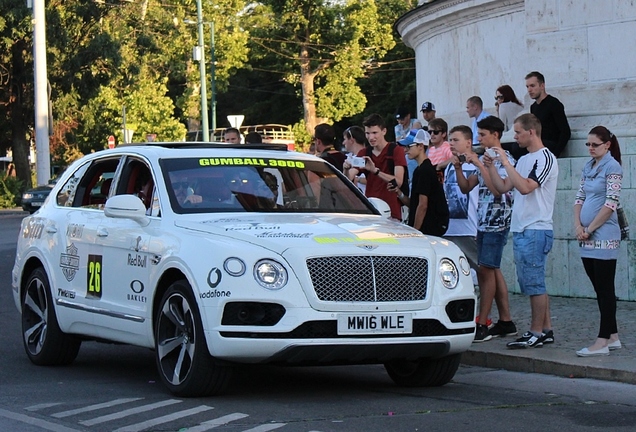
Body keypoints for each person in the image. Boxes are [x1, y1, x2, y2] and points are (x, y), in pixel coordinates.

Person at [487, 113, 558, 349]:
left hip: (536, 228)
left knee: (535, 283)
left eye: (517, 132)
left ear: (532, 132)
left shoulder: (545, 157)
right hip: (522, 228)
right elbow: (503, 188)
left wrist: (506, 163)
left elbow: (527, 187)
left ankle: (536, 331)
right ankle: (546, 329)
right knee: (530, 282)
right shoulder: (524, 159)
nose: (514, 136)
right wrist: (489, 167)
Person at [456, 117, 517, 342]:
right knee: (491, 269)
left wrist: (481, 165)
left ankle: (482, 322)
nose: (479, 139)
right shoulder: (484, 158)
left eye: (482, 135)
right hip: (482, 222)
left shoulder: (504, 158)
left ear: (495, 135)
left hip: (497, 221)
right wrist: (458, 167)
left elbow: (498, 191)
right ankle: (505, 321)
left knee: (486, 270)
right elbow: (466, 187)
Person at [573, 126, 623, 357]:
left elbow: (611, 203)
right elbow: (579, 197)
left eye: (595, 144)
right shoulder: (588, 166)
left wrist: (590, 228)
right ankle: (612, 336)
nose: (591, 148)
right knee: (598, 288)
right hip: (586, 235)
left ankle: (602, 340)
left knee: (605, 289)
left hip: (604, 235)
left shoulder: (613, 167)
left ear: (607, 145)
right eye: (588, 144)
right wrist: (578, 226)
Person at [343, 113, 407, 221]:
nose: (371, 137)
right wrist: (345, 169)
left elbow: (398, 181)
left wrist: (375, 171)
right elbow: (348, 179)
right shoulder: (364, 152)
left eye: (374, 133)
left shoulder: (396, 150)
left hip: (391, 212)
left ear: (384, 131)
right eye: (368, 133)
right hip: (371, 211)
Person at [393, 129, 448, 236]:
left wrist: (415, 232)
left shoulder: (425, 170)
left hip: (429, 228)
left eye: (409, 146)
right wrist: (399, 193)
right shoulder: (419, 170)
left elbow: (423, 205)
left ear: (421, 146)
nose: (405, 150)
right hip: (427, 228)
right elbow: (414, 204)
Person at [443, 125, 479, 281]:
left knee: (483, 272)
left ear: (468, 142)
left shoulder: (477, 164)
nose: (451, 143)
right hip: (451, 228)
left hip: (470, 228)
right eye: (450, 140)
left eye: (456, 140)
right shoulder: (451, 165)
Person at [525, 71, 571, 158]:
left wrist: (555, 154)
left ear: (542, 86)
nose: (529, 90)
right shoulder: (533, 107)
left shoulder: (554, 104)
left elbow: (565, 131)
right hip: (538, 144)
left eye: (532, 86)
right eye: (527, 87)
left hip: (550, 145)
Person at [343, 126, 368, 194]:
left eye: (345, 139)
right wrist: (346, 170)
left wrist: (358, 179)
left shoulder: (368, 155)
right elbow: (347, 179)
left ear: (351, 140)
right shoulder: (349, 158)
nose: (343, 143)